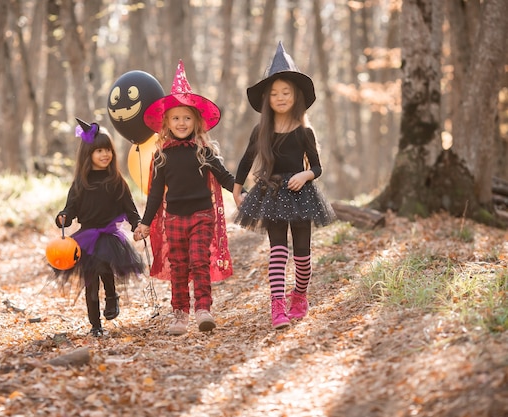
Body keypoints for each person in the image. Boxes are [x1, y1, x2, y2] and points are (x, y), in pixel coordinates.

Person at [233, 41, 336, 330]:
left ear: (296, 96)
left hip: (301, 195)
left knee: (302, 256)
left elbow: (317, 166)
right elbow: (245, 160)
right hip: (272, 194)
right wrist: (237, 189)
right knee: (278, 253)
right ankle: (277, 306)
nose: (280, 97)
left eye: (286, 92)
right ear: (267, 98)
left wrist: (305, 176)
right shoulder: (261, 130)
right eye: (274, 93)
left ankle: (299, 296)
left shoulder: (305, 131)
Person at [134, 60, 235, 336]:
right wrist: (144, 223)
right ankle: (180, 312)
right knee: (178, 265)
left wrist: (242, 191)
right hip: (174, 218)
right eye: (176, 118)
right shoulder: (162, 156)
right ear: (166, 122)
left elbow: (225, 177)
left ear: (196, 121)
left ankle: (204, 309)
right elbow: (155, 193)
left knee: (199, 260)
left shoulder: (204, 152)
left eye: (187, 118)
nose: (181, 123)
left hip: (203, 215)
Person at [53, 119, 145, 337]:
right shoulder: (79, 184)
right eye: (100, 151)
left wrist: (137, 224)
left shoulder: (116, 181)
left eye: (108, 150)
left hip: (109, 234)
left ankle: (112, 297)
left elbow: (129, 208)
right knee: (90, 281)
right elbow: (70, 209)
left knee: (104, 266)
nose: (106, 155)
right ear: (88, 154)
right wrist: (63, 217)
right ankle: (95, 325)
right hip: (86, 236)